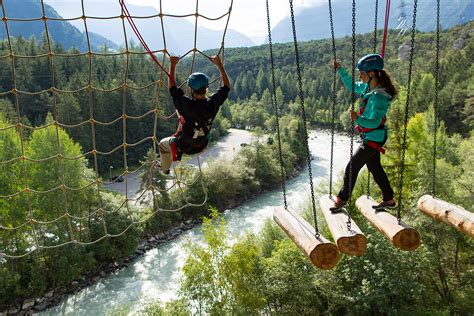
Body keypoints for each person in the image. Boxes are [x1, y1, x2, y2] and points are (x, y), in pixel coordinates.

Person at [330, 53, 397, 212]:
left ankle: (342, 199)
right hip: (373, 136)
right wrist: (341, 70)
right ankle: (389, 199)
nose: (360, 75)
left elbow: (374, 121)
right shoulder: (368, 87)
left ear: (372, 73)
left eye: (362, 73)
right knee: (375, 167)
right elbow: (352, 85)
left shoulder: (379, 97)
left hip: (374, 137)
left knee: (352, 167)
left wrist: (357, 118)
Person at [158, 55, 231, 175]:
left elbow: (172, 88)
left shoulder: (185, 104)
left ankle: (165, 169)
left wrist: (172, 65)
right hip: (201, 144)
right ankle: (172, 158)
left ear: (191, 90)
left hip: (185, 146)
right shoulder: (213, 104)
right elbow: (226, 87)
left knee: (162, 145)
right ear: (206, 88)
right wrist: (219, 65)